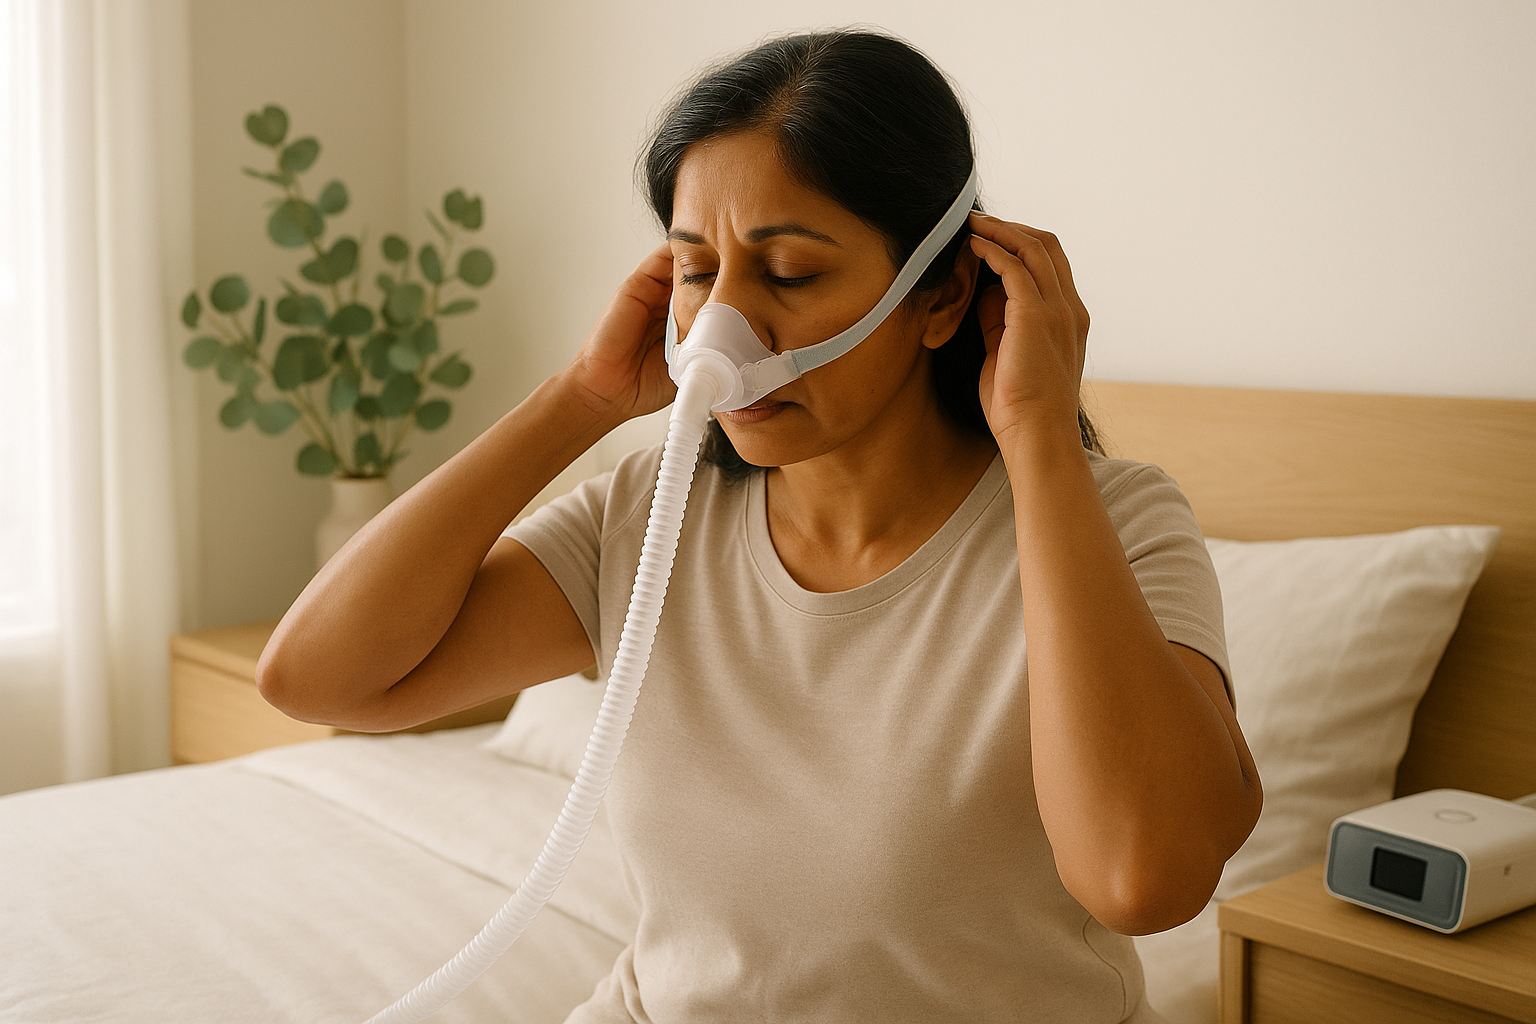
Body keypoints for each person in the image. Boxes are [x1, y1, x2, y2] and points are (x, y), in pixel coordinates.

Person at [258, 28, 1261, 1024]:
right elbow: (320, 678)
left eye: (786, 272)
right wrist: (580, 399)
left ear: (941, 294)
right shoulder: (657, 515)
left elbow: (1143, 877)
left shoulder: (1112, 522)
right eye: (696, 271)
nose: (721, 328)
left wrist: (1039, 430)